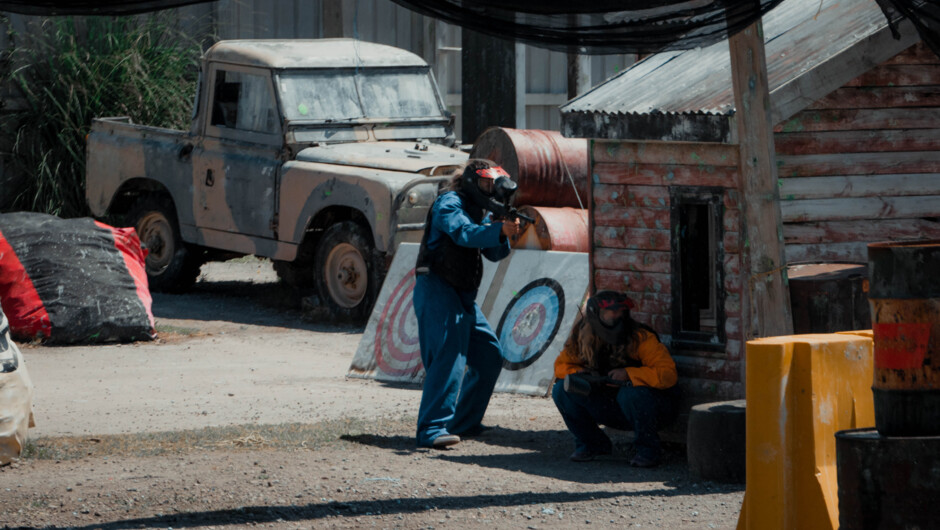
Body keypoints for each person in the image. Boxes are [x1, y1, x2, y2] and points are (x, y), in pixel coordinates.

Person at [412, 158, 522, 449]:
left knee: (488, 356)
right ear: (472, 182)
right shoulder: (448, 204)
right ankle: (431, 430)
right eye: (486, 183)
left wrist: (502, 230)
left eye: (493, 184)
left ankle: (462, 422)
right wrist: (498, 229)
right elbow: (462, 234)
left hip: (461, 294)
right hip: (436, 287)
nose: (491, 189)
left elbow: (493, 254)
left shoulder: (481, 210)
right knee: (450, 356)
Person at [552, 290, 679, 466]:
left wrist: (629, 374)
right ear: (597, 314)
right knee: (561, 390)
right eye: (613, 311)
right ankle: (592, 445)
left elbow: (668, 374)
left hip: (654, 408)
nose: (619, 315)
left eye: (622, 311)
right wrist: (577, 373)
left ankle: (648, 450)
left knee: (631, 394)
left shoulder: (641, 337)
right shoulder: (582, 336)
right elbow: (560, 366)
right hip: (611, 406)